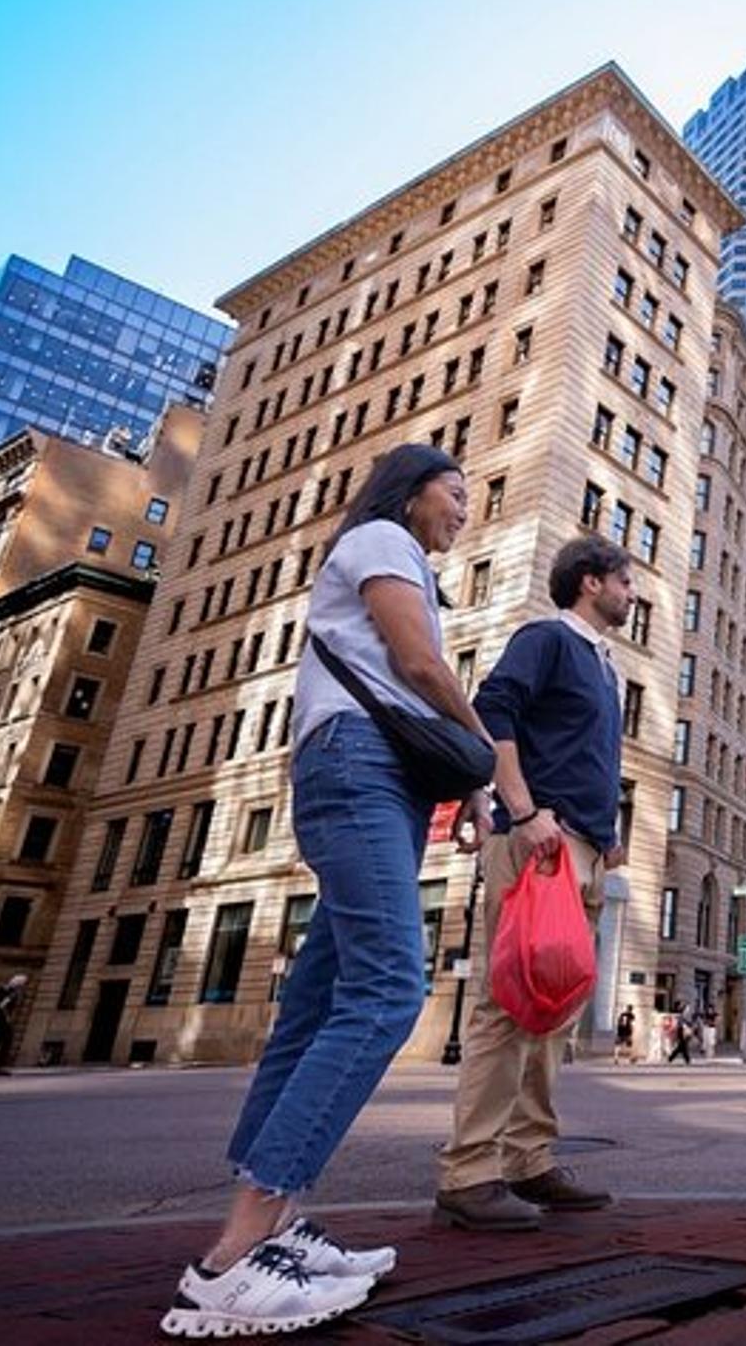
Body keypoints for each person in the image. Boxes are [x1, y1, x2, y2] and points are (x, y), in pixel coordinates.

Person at [162, 445, 483, 1337]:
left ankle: (276, 1227)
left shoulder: (392, 551)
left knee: (313, 1008)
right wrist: (485, 763)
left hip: (371, 775)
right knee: (388, 992)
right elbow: (421, 666)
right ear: (411, 491)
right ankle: (232, 1259)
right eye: (456, 492)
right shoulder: (382, 540)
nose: (465, 510)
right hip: (359, 768)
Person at [433, 536, 631, 1230]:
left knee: (554, 1007)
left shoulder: (606, 667)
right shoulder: (546, 639)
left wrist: (607, 837)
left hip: (584, 849)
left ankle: (527, 1159)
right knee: (508, 1004)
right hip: (539, 843)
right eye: (624, 581)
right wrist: (522, 810)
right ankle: (469, 1172)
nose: (631, 593)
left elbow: (586, 754)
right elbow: (493, 711)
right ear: (590, 582)